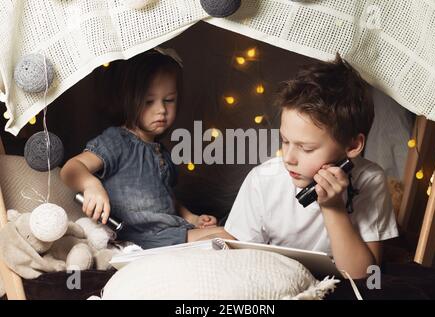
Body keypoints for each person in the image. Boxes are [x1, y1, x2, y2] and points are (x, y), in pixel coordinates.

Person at [223, 55, 399, 279]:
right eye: (285, 141)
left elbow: (364, 274)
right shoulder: (263, 179)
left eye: (306, 149)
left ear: (353, 145)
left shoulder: (370, 180)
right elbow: (236, 261)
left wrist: (333, 208)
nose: (289, 157)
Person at [60, 48, 227, 249]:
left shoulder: (160, 151)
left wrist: (192, 217)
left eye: (169, 100)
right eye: (149, 102)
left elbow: (166, 198)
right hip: (139, 236)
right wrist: (91, 185)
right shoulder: (117, 141)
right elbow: (71, 168)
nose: (161, 110)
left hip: (168, 231)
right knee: (225, 237)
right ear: (129, 100)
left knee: (227, 231)